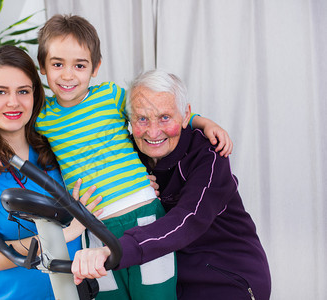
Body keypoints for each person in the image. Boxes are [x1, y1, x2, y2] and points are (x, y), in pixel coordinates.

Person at [35, 14, 233, 299]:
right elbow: (10, 126)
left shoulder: (111, 96)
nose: (68, 75)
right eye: (57, 64)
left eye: (79, 65)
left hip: (144, 215)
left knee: (155, 295)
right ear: (43, 67)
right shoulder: (43, 117)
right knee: (108, 296)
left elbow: (156, 110)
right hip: (94, 227)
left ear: (95, 67)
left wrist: (202, 122)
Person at [71, 69, 272, 300]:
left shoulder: (209, 156)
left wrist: (115, 250)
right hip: (171, 281)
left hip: (227, 277)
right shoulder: (129, 159)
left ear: (186, 115)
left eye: (165, 117)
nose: (153, 132)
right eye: (142, 119)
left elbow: (187, 220)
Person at [0, 45, 101, 300]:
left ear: (35, 95)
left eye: (23, 91)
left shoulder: (55, 146)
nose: (13, 102)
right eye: (0, 92)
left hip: (74, 292)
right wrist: (64, 235)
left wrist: (142, 185)